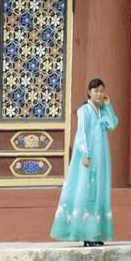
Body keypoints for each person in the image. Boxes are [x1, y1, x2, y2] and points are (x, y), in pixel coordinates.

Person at [50, 78, 119, 247]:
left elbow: (113, 124)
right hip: (88, 157)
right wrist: (85, 155)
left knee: (99, 191)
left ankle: (95, 234)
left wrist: (108, 106)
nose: (99, 94)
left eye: (102, 91)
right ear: (89, 92)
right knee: (87, 191)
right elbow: (81, 134)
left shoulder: (102, 110)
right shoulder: (84, 110)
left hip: (102, 157)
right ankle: (87, 235)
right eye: (96, 91)